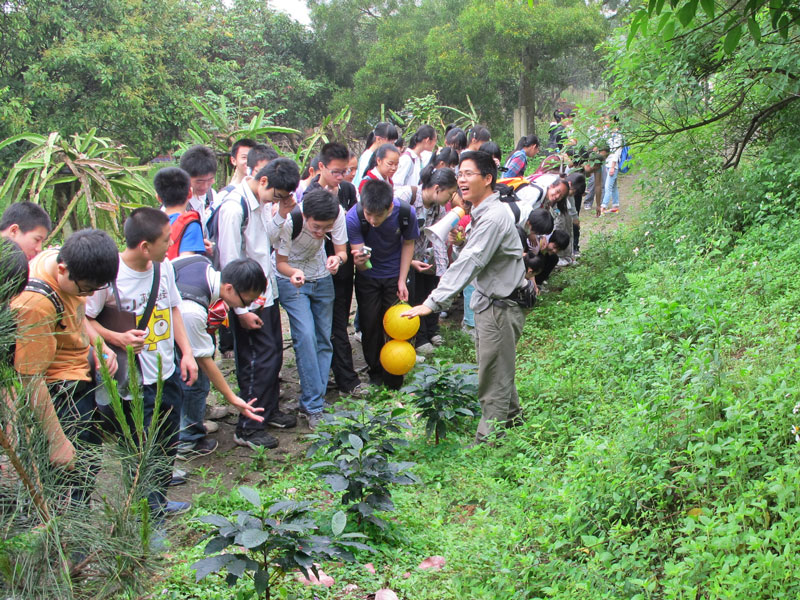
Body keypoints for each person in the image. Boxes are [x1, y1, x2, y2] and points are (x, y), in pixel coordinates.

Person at [402, 151, 531, 444]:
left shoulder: (493, 217)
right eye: (460, 174)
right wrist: (460, 243)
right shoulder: (482, 212)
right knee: (497, 365)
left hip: (500, 306)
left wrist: (432, 302)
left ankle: (488, 439)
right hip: (492, 303)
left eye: (468, 174)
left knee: (492, 373)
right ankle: (513, 419)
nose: (461, 180)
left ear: (487, 179)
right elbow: (478, 256)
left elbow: (471, 262)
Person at [86, 208, 198, 516]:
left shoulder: (164, 268)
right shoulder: (109, 276)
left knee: (167, 440)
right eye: (166, 239)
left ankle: (158, 500)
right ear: (145, 246)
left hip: (166, 371)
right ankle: (148, 515)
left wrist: (187, 353)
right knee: (141, 449)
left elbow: (173, 308)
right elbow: (85, 318)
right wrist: (115, 338)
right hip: (133, 381)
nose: (172, 243)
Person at [13, 229, 119, 503]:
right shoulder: (35, 304)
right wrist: (57, 440)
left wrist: (99, 346)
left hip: (79, 377)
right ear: (62, 269)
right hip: (59, 395)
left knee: (89, 464)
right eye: (86, 289)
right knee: (70, 483)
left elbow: (77, 313)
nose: (89, 295)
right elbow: (30, 378)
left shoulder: (61, 260)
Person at [216, 158, 300, 450]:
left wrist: (282, 213)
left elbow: (268, 242)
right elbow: (229, 264)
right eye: (277, 196)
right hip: (246, 298)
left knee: (273, 355)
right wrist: (240, 310)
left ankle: (268, 410)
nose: (276, 201)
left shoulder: (262, 203)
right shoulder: (234, 208)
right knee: (255, 361)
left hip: (266, 293)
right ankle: (248, 427)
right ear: (263, 181)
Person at [172, 256, 267, 458]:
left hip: (172, 324)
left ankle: (190, 424)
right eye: (246, 301)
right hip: (154, 334)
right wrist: (233, 399)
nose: (247, 306)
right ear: (230, 288)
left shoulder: (200, 263)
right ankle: (186, 442)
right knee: (193, 379)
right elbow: (205, 361)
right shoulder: (192, 310)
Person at [276, 188, 348, 429]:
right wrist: (294, 273)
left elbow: (341, 251)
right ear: (305, 215)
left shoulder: (337, 213)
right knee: (306, 337)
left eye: (326, 228)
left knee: (324, 339)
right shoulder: (291, 221)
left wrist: (337, 260)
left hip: (322, 277)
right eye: (316, 227)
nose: (320, 233)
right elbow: (280, 263)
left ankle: (314, 399)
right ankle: (314, 405)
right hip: (291, 280)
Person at [347, 179, 419, 389]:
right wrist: (360, 262)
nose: (372, 220)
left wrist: (402, 280)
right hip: (368, 278)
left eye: (378, 215)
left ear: (390, 207)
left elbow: (408, 243)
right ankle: (375, 372)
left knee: (398, 327)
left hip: (395, 275)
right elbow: (361, 263)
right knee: (370, 325)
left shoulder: (405, 213)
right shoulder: (354, 217)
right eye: (369, 214)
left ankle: (395, 375)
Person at [305, 143, 362, 395]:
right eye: (336, 171)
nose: (342, 176)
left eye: (345, 171)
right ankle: (336, 377)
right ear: (321, 167)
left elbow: (352, 225)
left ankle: (343, 377)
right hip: (315, 271)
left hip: (341, 264)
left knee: (339, 321)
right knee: (321, 326)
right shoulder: (310, 195)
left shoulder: (348, 190)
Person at [402, 166, 459, 354]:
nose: (450, 199)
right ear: (437, 189)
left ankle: (431, 330)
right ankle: (418, 339)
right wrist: (409, 262)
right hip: (401, 259)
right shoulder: (406, 198)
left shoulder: (438, 208)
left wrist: (442, 273)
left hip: (421, 257)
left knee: (430, 289)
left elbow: (438, 240)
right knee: (413, 297)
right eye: (449, 194)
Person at [156, 167, 206, 260]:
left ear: (158, 198)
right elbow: (187, 261)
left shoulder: (152, 223)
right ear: (190, 193)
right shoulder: (190, 224)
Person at [179, 146, 218, 229]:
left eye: (210, 180)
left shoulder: (212, 196)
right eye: (199, 181)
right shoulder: (176, 205)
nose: (205, 186)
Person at [353, 122, 399, 191]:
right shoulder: (366, 157)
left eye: (394, 142)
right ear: (378, 139)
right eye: (390, 142)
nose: (392, 146)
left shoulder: (388, 180)